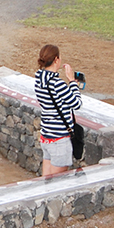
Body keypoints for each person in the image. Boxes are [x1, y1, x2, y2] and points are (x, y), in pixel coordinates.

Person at [34, 44, 82, 177]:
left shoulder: (39, 80)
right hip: (59, 140)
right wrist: (72, 82)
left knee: (46, 182)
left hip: (46, 137)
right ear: (56, 60)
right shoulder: (57, 83)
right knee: (56, 185)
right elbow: (76, 103)